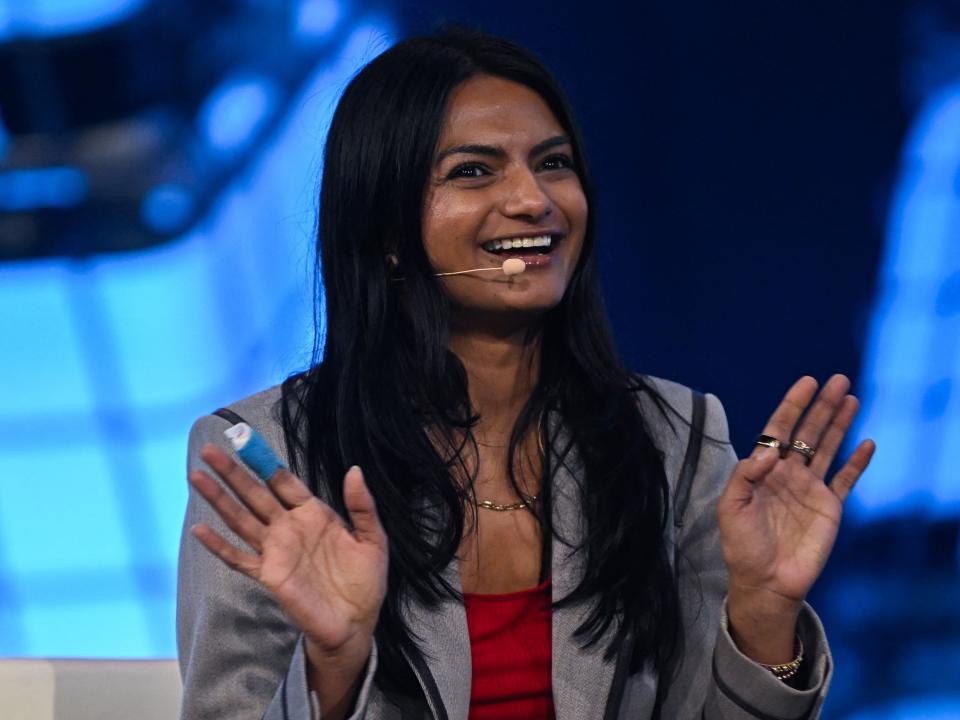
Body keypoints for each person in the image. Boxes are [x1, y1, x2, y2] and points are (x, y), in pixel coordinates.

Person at [176, 27, 875, 720]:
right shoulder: (262, 458)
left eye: (553, 163)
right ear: (387, 233)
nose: (533, 200)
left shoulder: (676, 434)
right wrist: (334, 663)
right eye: (474, 171)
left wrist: (762, 613)